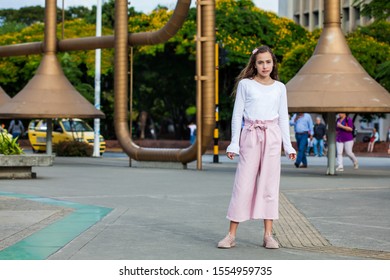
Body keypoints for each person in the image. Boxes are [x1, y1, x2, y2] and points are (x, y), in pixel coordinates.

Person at [217, 45, 296, 250]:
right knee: (243, 185)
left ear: (273, 63)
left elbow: (283, 118)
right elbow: (237, 115)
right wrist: (234, 142)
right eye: (260, 62)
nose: (264, 66)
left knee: (270, 186)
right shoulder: (246, 84)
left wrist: (288, 146)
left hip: (272, 137)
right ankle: (231, 235)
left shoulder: (280, 87)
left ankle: (268, 235)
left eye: (268, 62)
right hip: (250, 135)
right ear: (254, 64)